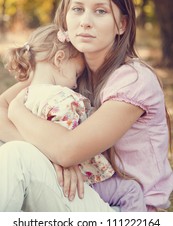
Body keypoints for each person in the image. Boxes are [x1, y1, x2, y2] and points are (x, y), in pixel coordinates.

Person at [0, 0, 172, 212]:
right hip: (88, 195)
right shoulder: (67, 70)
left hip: (129, 211)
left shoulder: (133, 80)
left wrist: (18, 112)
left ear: (121, 25)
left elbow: (67, 150)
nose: (85, 22)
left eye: (100, 11)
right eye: (77, 9)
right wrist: (52, 160)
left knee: (19, 157)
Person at [1, 23, 147, 212]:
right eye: (76, 74)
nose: (75, 82)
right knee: (132, 191)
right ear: (59, 58)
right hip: (80, 179)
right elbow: (69, 143)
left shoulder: (25, 97)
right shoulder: (64, 99)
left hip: (49, 179)